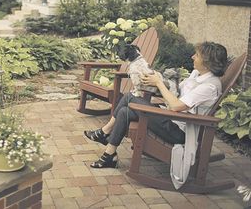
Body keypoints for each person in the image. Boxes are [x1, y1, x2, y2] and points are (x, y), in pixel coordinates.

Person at [84, 41, 228, 168]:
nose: (192, 57)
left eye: (196, 55)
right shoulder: (197, 75)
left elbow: (177, 106)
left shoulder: (209, 86)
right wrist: (158, 79)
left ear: (207, 62)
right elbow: (176, 91)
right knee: (125, 112)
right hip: (171, 118)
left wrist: (158, 83)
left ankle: (104, 132)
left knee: (129, 97)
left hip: (179, 131)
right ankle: (110, 155)